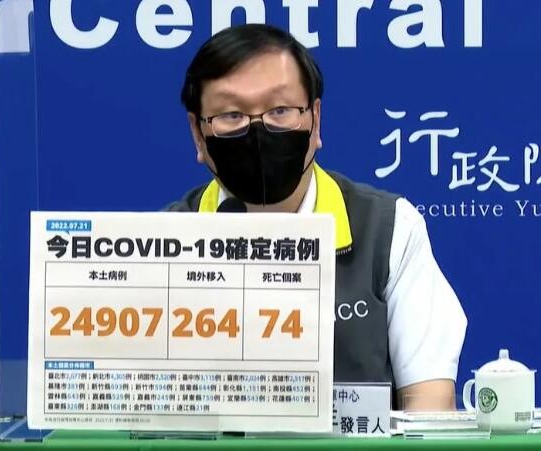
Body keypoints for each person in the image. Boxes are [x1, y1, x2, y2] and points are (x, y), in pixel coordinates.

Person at [165, 23, 467, 410]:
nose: (258, 130)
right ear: (198, 133)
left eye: (280, 110)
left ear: (315, 119)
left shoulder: (389, 228)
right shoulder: (161, 241)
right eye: (231, 115)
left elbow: (429, 399)